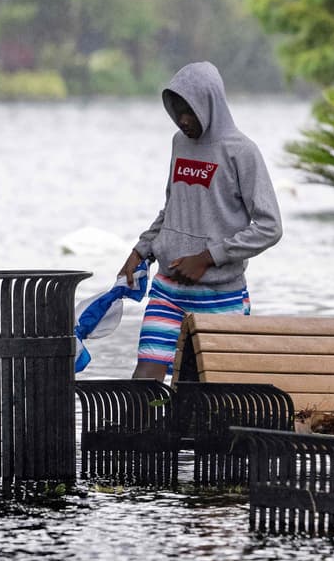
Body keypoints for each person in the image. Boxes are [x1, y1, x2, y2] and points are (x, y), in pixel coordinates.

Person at [118, 61, 283, 379]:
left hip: (220, 295)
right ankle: (145, 416)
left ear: (211, 105)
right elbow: (172, 208)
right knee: (145, 378)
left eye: (190, 111)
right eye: (177, 111)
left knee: (211, 390)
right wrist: (141, 250)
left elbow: (270, 227)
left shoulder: (241, 151)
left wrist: (208, 257)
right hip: (169, 289)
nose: (183, 120)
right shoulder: (179, 143)